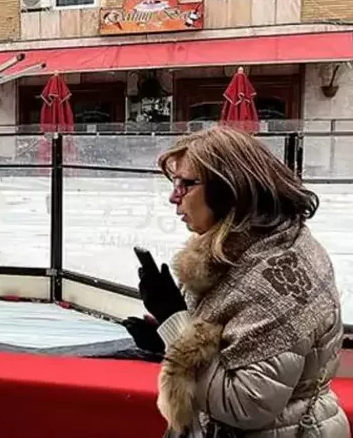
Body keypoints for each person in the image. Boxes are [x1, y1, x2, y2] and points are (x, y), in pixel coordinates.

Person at [122, 126, 349, 437]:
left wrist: (174, 321)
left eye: (186, 184)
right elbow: (231, 345)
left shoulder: (271, 280)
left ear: (229, 188)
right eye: (174, 183)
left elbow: (245, 404)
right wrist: (166, 339)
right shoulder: (251, 250)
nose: (174, 196)